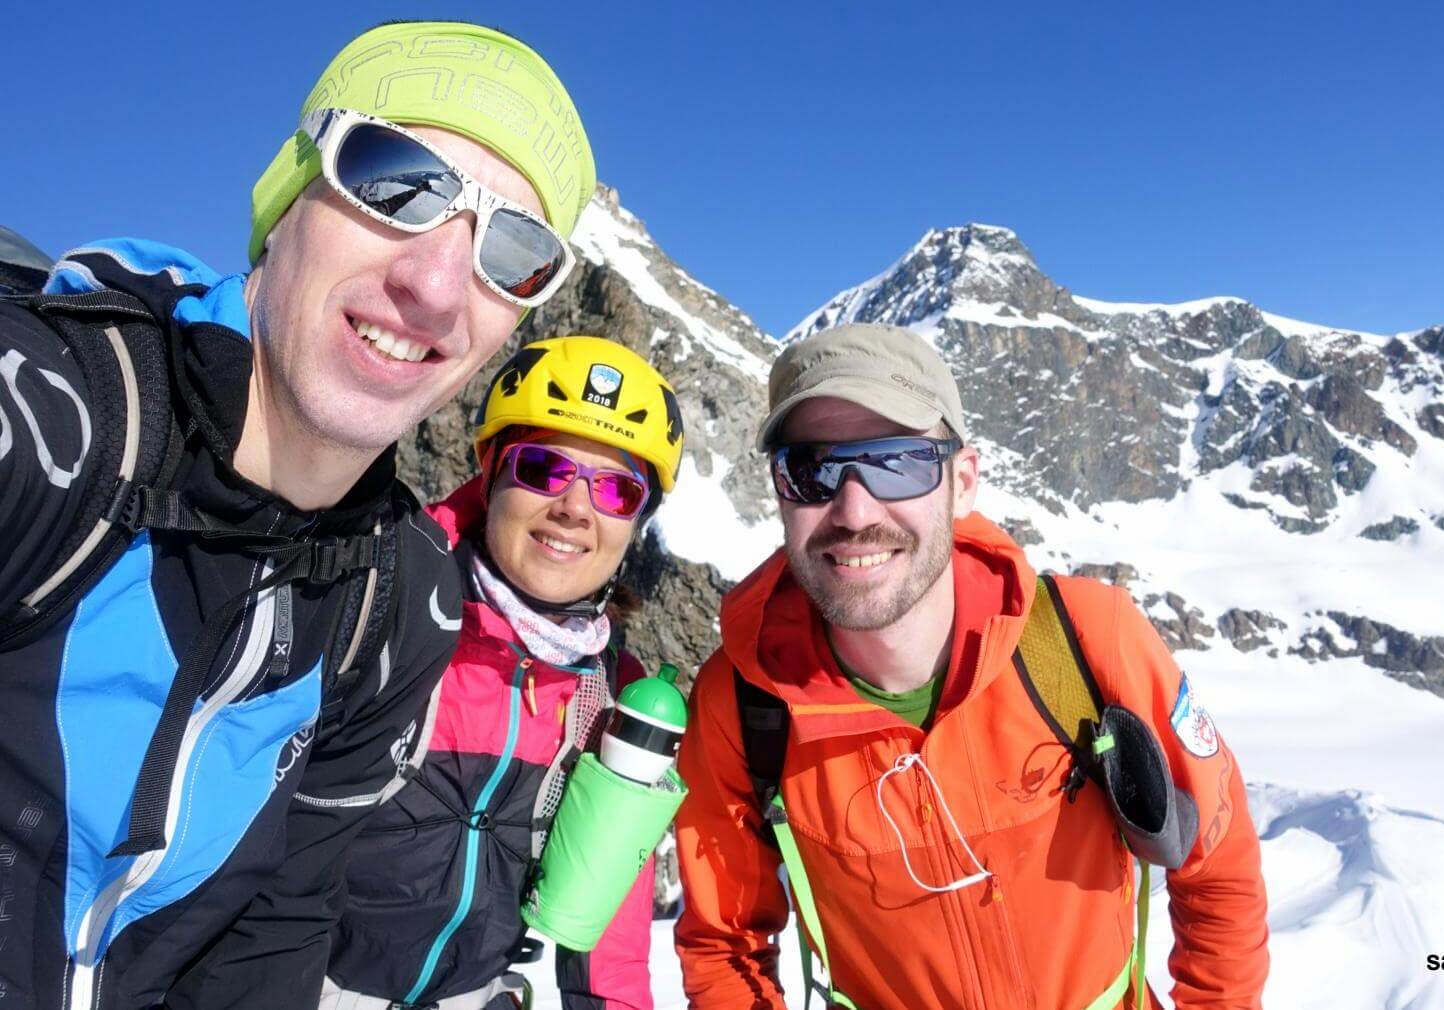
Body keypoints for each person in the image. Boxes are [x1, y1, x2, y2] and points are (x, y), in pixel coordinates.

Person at [0, 21, 593, 1010]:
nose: (435, 286)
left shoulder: (397, 598)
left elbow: (272, 927)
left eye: (515, 253)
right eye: (394, 181)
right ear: (286, 196)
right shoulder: (56, 419)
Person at [673, 323, 1270, 1009]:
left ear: (962, 483)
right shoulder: (743, 703)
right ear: (781, 492)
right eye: (812, 470)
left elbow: (1215, 858)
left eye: (898, 462)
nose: (854, 510)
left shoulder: (1083, 637)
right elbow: (724, 945)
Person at [321, 337, 684, 1010]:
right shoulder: (384, 600)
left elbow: (608, 934)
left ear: (637, 523)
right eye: (544, 468)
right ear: (490, 471)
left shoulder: (611, 696)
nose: (575, 507)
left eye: (616, 490)